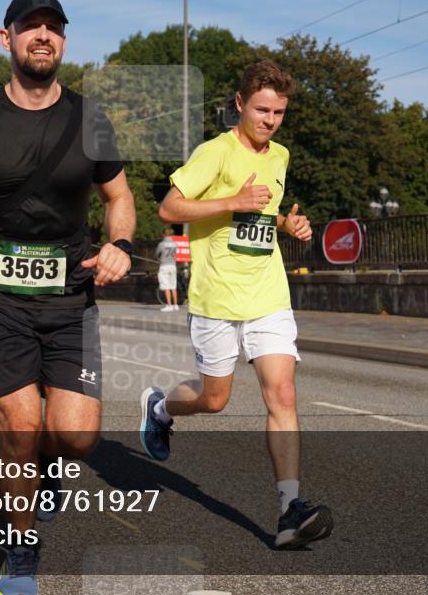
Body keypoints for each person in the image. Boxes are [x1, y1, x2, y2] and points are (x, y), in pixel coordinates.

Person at [0, 0, 135, 595]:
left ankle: (33, 475)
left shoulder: (89, 119)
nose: (42, 36)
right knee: (19, 428)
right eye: (29, 27)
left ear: (63, 41)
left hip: (71, 295)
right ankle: (20, 546)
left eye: (53, 28)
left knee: (76, 436)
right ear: (6, 38)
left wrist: (118, 243)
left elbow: (119, 197)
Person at [140, 60, 332, 550]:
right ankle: (160, 408)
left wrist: (290, 227)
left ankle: (289, 509)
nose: (270, 120)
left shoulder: (281, 156)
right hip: (216, 298)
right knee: (214, 399)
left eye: (280, 112)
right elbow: (169, 208)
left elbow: (263, 218)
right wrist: (232, 201)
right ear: (240, 104)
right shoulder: (215, 152)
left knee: (282, 395)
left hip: (267, 294)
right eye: (262, 109)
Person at [155, 226, 179, 312]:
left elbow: (157, 254)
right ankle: (175, 305)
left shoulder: (161, 244)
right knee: (173, 286)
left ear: (164, 234)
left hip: (164, 265)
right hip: (173, 265)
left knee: (166, 286)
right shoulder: (175, 244)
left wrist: (158, 258)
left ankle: (169, 305)